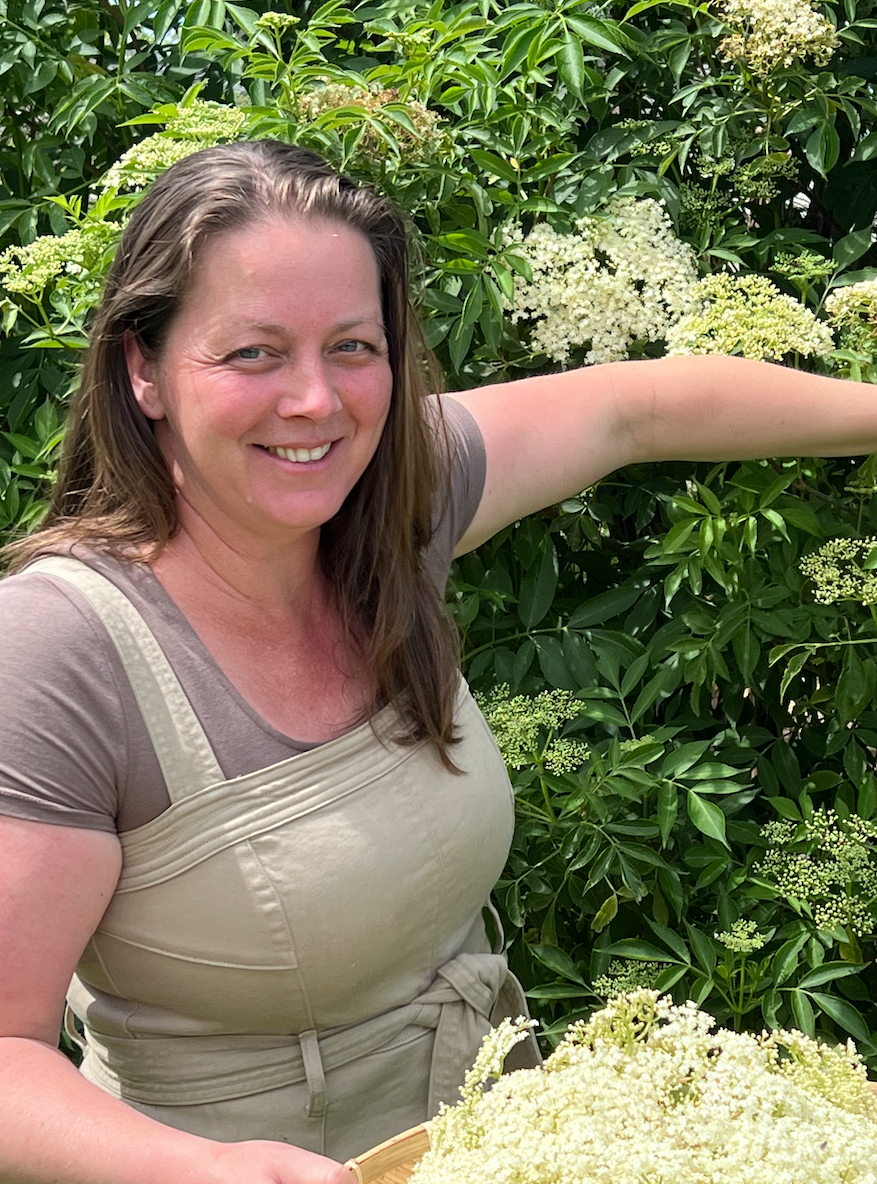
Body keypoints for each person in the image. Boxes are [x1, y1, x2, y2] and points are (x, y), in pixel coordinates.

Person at [0, 138, 875, 1184]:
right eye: (253, 354)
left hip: (490, 1146)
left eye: (353, 347)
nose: (316, 401)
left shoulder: (390, 508)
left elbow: (634, 407)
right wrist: (201, 1169)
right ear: (142, 368)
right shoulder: (61, 650)